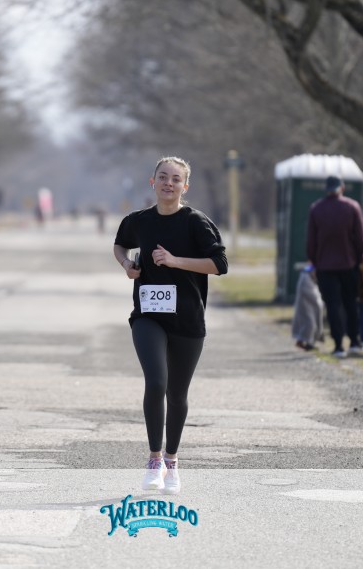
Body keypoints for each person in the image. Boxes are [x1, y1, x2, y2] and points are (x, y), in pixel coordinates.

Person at [113, 156, 228, 496]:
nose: (168, 183)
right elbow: (120, 244)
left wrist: (175, 261)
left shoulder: (196, 222)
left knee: (176, 394)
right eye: (163, 177)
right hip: (148, 316)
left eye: (176, 179)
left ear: (184, 186)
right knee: (156, 381)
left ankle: (172, 461)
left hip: (187, 319)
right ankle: (153, 459)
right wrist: (127, 265)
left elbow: (220, 264)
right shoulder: (139, 221)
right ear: (153, 182)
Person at [305, 175, 363, 358]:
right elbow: (360, 239)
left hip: (325, 266)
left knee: (332, 305)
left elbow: (311, 243)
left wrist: (314, 261)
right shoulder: (352, 207)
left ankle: (338, 344)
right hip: (349, 264)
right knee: (351, 303)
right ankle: (354, 341)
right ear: (342, 188)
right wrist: (358, 258)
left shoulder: (316, 209)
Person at [292, 264, 324, 351]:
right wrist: (318, 301)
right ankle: (306, 342)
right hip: (304, 306)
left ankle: (306, 342)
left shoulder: (310, 279)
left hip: (309, 306)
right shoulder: (305, 279)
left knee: (311, 324)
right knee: (310, 324)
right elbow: (310, 293)